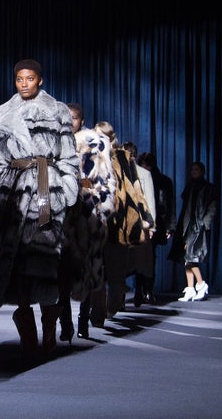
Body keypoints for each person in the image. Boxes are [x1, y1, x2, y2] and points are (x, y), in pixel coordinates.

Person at [0, 59, 79, 359]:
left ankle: (49, 327)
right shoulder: (1, 114)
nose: (24, 83)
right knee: (16, 267)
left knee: (46, 263)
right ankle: (27, 332)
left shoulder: (57, 111)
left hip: (46, 191)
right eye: (19, 79)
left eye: (30, 78)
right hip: (13, 195)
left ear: (40, 79)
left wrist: (65, 190)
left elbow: (68, 156)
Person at [60, 103, 117, 340]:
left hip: (86, 214)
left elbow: (107, 181)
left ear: (81, 120)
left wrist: (99, 206)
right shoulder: (54, 142)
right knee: (62, 272)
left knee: (86, 271)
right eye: (66, 117)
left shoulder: (95, 143)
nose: (70, 121)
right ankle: (65, 324)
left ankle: (83, 321)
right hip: (61, 214)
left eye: (73, 118)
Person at [90, 122, 154, 323]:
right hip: (95, 222)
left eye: (103, 137)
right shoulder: (88, 158)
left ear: (111, 138)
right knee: (96, 269)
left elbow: (136, 191)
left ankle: (114, 302)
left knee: (116, 272)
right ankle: (97, 310)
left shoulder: (123, 159)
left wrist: (146, 221)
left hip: (118, 222)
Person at [167, 161, 218, 301]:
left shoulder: (208, 188)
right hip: (186, 225)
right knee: (186, 257)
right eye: (192, 170)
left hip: (197, 226)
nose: (193, 172)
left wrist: (205, 224)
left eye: (196, 169)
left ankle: (201, 284)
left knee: (190, 257)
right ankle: (190, 289)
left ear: (202, 171)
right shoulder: (190, 186)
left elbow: (212, 207)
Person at [136, 152, 176, 305]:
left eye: (146, 165)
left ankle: (147, 290)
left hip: (155, 224)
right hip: (139, 224)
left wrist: (170, 227)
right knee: (140, 257)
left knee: (149, 257)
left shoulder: (163, 181)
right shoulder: (136, 178)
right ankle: (141, 290)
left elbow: (169, 205)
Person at [121, 142, 157, 308]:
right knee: (121, 259)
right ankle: (119, 295)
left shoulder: (143, 174)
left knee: (140, 261)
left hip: (139, 223)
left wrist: (151, 225)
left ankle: (139, 292)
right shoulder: (117, 172)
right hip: (122, 223)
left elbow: (149, 199)